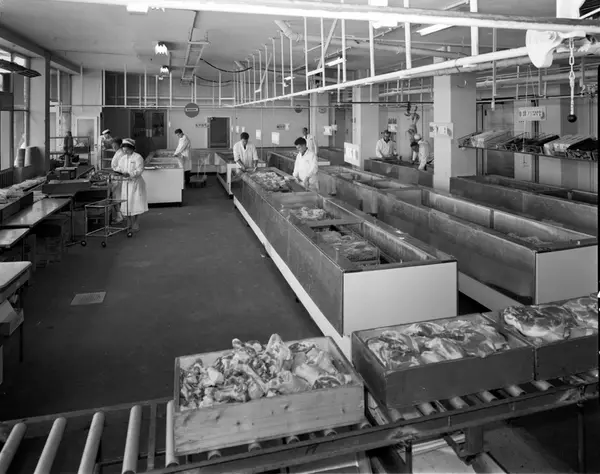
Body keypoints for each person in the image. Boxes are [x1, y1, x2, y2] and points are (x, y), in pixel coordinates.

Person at [113, 138, 148, 232]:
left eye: (127, 150)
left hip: (135, 183)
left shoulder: (138, 157)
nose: (125, 152)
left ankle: (136, 222)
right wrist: (118, 172)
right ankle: (128, 222)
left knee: (136, 202)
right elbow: (119, 168)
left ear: (131, 148)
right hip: (126, 183)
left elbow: (139, 170)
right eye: (124, 150)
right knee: (126, 203)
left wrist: (130, 174)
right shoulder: (123, 158)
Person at [110, 138, 126, 224]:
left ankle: (119, 216)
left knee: (116, 198)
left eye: (115, 145)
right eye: (112, 145)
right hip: (116, 176)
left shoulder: (121, 154)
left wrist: (115, 172)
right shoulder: (118, 152)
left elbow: (121, 168)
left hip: (118, 177)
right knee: (117, 197)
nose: (113, 147)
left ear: (119, 145)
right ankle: (121, 215)